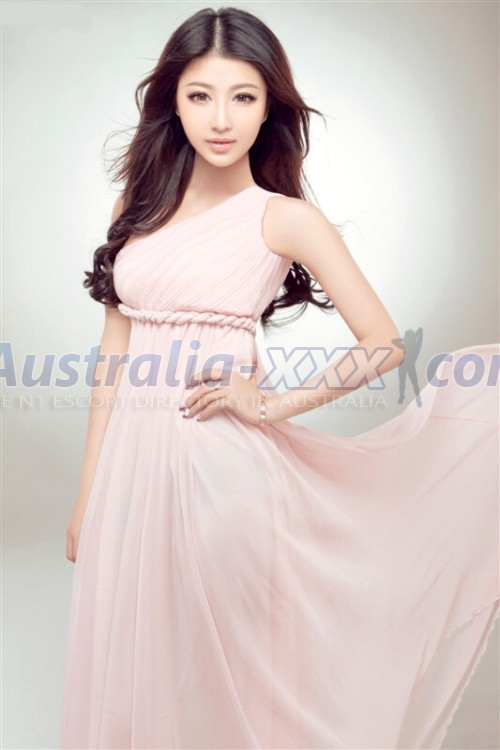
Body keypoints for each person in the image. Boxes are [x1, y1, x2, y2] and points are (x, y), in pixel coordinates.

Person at [60, 6, 499, 749]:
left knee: (231, 665)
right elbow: (114, 353)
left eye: (244, 96)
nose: (220, 119)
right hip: (131, 475)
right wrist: (87, 494)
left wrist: (268, 406)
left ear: (270, 107)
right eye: (200, 95)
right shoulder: (137, 206)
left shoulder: (284, 218)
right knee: (142, 659)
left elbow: (383, 343)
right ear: (172, 101)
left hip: (221, 472)